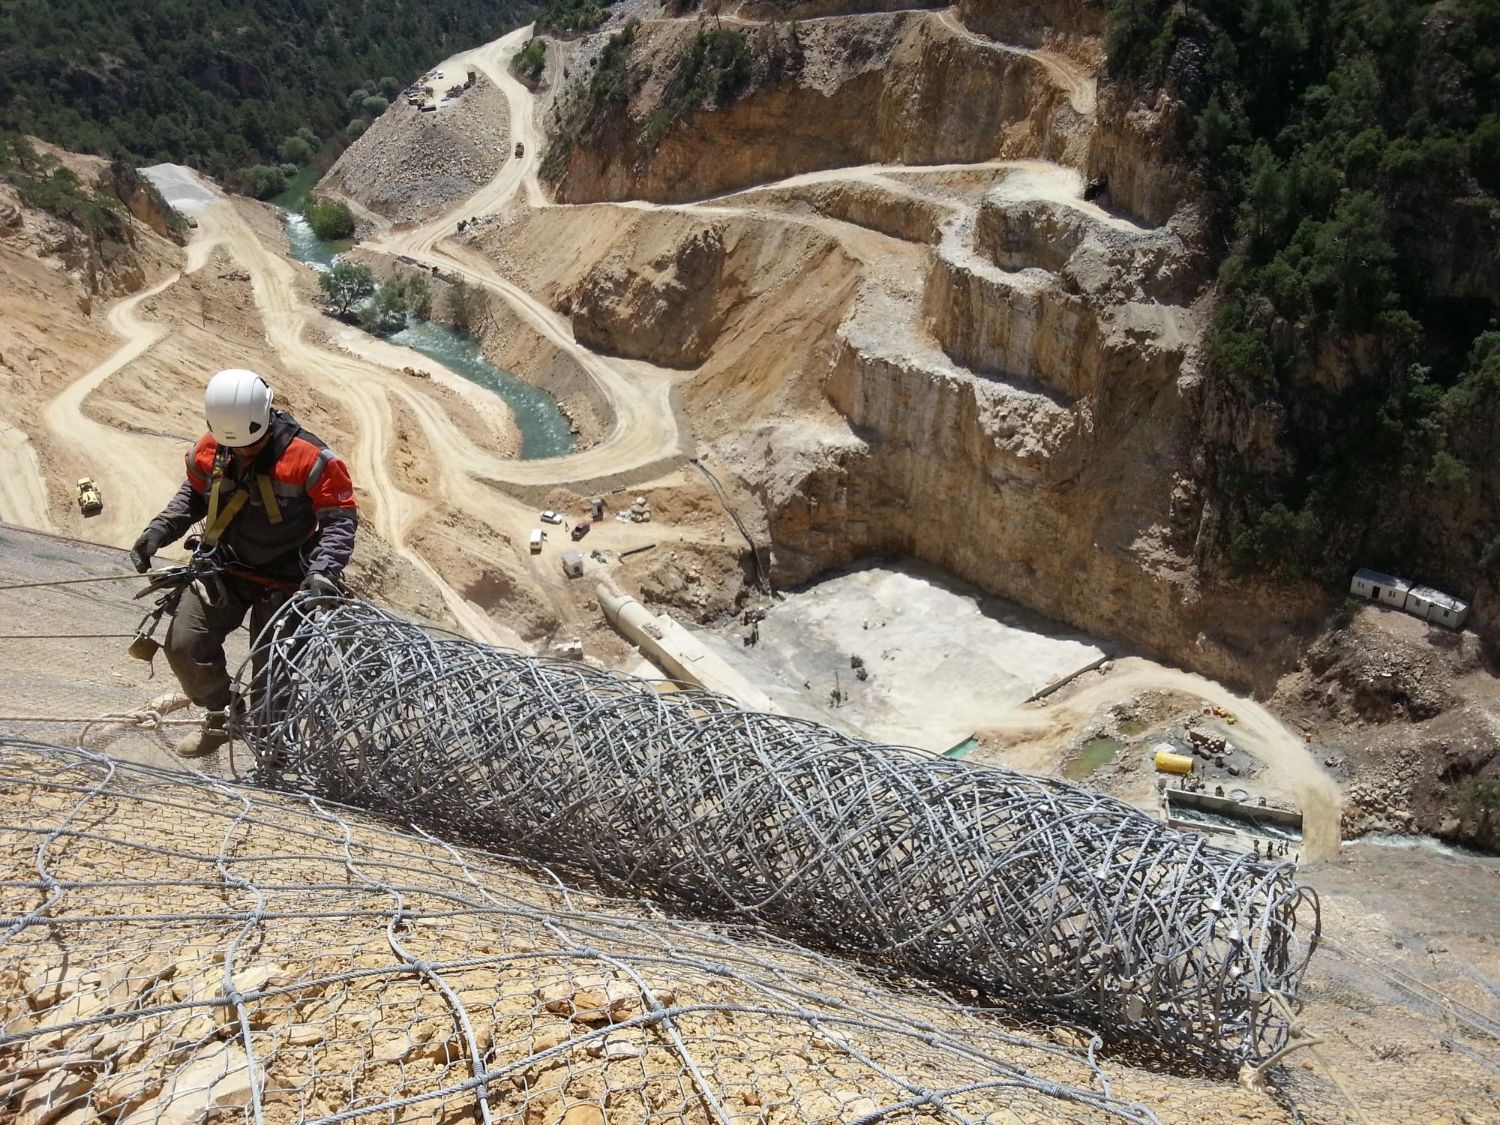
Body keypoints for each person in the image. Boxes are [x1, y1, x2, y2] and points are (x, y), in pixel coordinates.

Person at [129, 369, 358, 757]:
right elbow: (194, 495)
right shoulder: (212, 448)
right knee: (185, 646)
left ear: (268, 419)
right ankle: (223, 718)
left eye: (250, 446)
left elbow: (339, 519)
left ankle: (272, 748)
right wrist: (159, 531)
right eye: (235, 447)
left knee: (274, 677)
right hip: (227, 567)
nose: (242, 453)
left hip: (289, 579)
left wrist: (323, 573)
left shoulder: (310, 458)